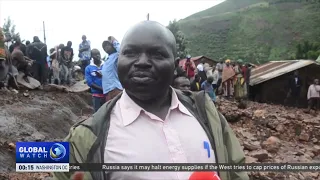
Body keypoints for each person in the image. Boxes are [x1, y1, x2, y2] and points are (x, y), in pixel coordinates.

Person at [53, 20, 248, 180]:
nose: (142, 62)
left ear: (174, 64)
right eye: (130, 53)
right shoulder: (86, 138)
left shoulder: (205, 112)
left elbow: (236, 169)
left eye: (157, 54)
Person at [101, 37, 123, 102]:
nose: (106, 47)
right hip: (107, 90)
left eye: (107, 45)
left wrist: (114, 41)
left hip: (115, 88)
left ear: (112, 46)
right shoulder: (107, 60)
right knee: (111, 111)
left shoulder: (117, 55)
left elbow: (122, 51)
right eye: (104, 47)